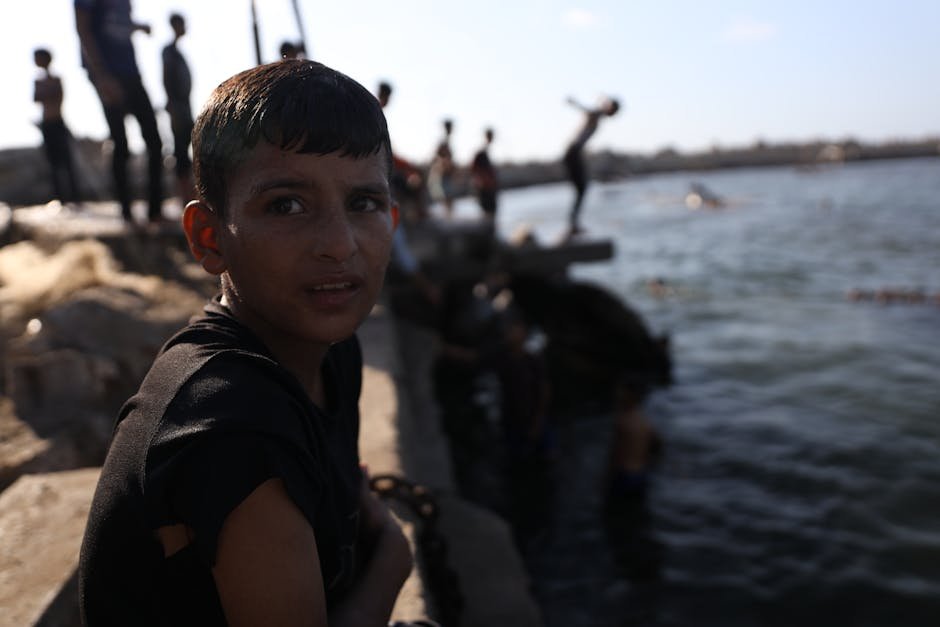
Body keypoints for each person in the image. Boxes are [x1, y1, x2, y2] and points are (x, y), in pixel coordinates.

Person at [78, 60, 413, 626]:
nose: (339, 244)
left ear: (393, 218)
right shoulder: (231, 423)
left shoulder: (330, 352)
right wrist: (394, 562)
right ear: (210, 239)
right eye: (286, 204)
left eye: (364, 204)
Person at [75, 0, 165, 226]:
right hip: (108, 74)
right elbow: (83, 29)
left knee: (154, 141)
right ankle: (126, 211)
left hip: (132, 72)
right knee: (121, 142)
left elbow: (116, 22)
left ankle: (155, 210)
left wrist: (138, 27)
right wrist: (102, 76)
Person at [561, 95, 619, 238]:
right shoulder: (596, 114)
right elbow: (587, 110)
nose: (611, 113)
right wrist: (573, 102)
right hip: (572, 153)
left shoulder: (598, 115)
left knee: (582, 188)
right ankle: (572, 225)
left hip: (574, 153)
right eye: (611, 110)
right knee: (582, 188)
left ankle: (573, 224)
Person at [32, 47, 81, 206]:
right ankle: (60, 199)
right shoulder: (39, 80)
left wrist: (47, 93)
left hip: (57, 122)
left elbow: (56, 97)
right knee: (53, 162)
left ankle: (75, 198)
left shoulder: (56, 79)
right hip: (47, 124)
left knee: (67, 162)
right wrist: (47, 93)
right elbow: (37, 98)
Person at [162, 12, 195, 204]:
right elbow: (167, 79)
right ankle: (184, 196)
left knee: (187, 148)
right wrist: (172, 106)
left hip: (185, 107)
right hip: (178, 108)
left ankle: (188, 193)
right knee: (181, 151)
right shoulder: (169, 51)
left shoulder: (177, 52)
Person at [427, 118, 456, 218]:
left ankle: (449, 218)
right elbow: (438, 155)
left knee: (448, 199)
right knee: (446, 199)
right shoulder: (444, 142)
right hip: (443, 175)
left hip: (446, 175)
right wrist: (444, 163)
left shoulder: (447, 141)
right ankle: (448, 219)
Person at [470, 127, 499, 222]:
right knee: (487, 214)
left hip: (489, 189)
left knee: (492, 213)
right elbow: (474, 169)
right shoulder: (481, 153)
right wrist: (481, 182)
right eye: (490, 136)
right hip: (484, 190)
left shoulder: (486, 152)